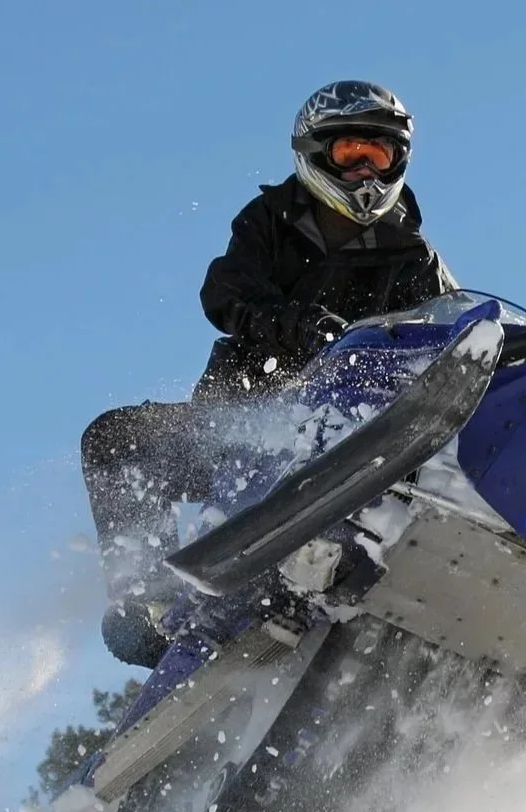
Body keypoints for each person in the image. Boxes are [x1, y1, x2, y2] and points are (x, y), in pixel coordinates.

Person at [79, 80, 456, 668]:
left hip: (356, 433)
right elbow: (225, 290)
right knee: (114, 439)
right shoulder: (269, 222)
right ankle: (146, 600)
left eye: (378, 156)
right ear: (314, 153)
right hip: (246, 424)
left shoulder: (416, 258)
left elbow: (457, 331)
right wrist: (296, 325)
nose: (365, 174)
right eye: (350, 155)